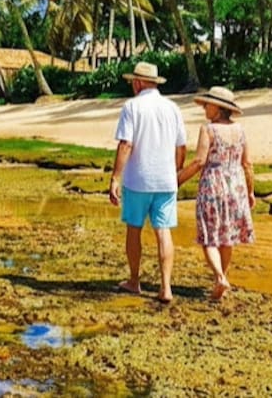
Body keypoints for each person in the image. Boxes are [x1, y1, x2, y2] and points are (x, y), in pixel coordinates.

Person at [108, 61, 187, 303]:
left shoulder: (132, 106)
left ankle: (134, 280)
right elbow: (181, 146)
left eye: (133, 81)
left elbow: (126, 144)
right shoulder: (172, 107)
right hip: (165, 180)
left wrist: (115, 177)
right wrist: (175, 171)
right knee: (163, 231)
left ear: (138, 82)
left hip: (137, 179)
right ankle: (166, 287)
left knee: (134, 229)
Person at [177, 86, 255, 302]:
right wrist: (250, 192)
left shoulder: (208, 129)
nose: (204, 108)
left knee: (209, 236)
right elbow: (247, 163)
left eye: (208, 105)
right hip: (236, 186)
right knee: (227, 237)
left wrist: (177, 181)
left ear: (218, 108)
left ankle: (220, 277)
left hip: (213, 185)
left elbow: (199, 161)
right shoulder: (240, 130)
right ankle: (223, 278)